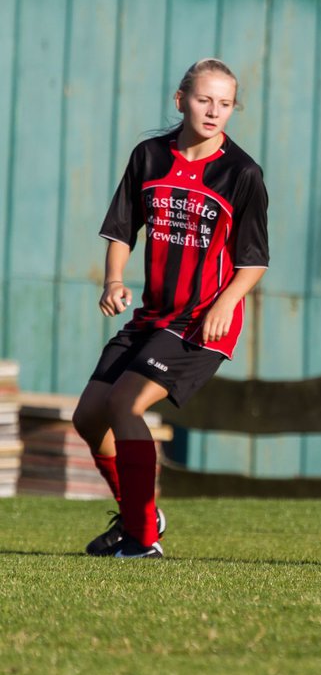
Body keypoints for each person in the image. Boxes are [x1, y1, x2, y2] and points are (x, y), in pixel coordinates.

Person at [72, 58, 270, 559]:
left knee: (125, 404)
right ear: (180, 99)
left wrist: (226, 303)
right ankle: (141, 513)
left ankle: (142, 540)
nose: (214, 111)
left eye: (225, 104)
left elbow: (254, 262)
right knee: (89, 416)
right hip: (153, 316)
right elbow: (121, 230)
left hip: (202, 321)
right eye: (205, 99)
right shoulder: (148, 157)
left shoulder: (242, 173)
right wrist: (114, 280)